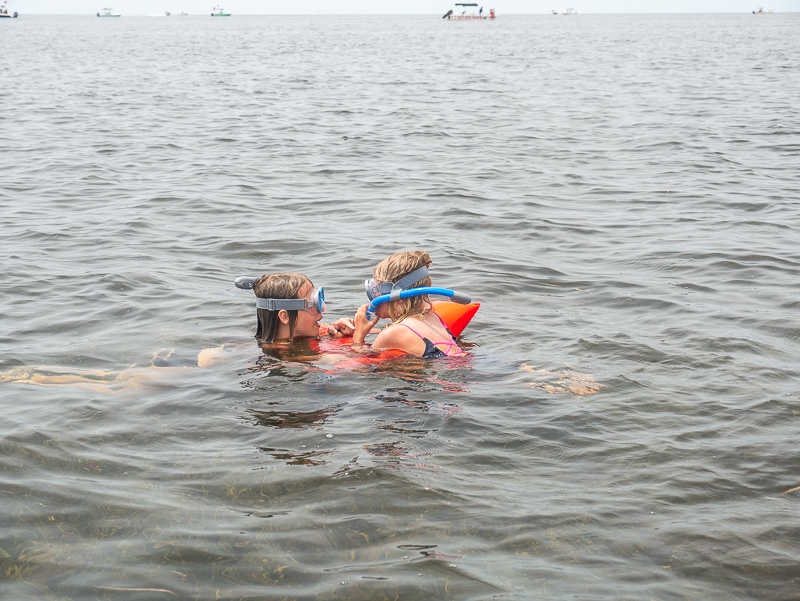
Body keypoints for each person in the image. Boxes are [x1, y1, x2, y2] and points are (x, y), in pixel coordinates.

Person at [352, 251, 463, 358]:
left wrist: (358, 335)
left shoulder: (393, 333)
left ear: (399, 296)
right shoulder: (432, 316)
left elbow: (360, 367)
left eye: (375, 291)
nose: (373, 298)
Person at [245, 272, 354, 344]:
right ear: (285, 316)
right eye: (313, 304)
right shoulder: (284, 356)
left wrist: (346, 328)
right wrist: (358, 337)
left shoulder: (309, 334)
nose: (322, 309)